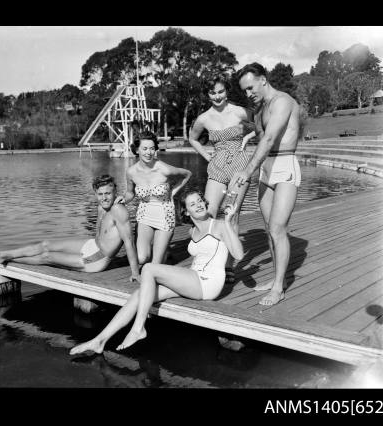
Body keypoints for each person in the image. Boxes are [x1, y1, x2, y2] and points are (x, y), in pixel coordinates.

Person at [69, 188, 245, 355]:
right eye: (192, 204)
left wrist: (229, 222)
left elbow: (238, 254)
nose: (199, 205)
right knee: (140, 294)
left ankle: (138, 328)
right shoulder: (192, 231)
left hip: (208, 283)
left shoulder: (219, 225)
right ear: (185, 212)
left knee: (149, 268)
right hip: (195, 280)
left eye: (200, 201)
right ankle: (100, 340)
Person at [230, 62, 302, 306]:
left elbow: (271, 138)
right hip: (266, 171)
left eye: (250, 87)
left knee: (277, 230)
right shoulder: (260, 108)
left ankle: (279, 288)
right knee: (270, 231)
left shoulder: (282, 101)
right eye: (245, 91)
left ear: (263, 79)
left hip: (284, 167)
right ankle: (275, 279)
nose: (249, 94)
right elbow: (261, 135)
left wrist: (246, 171)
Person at [0, 174, 140, 282]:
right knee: (45, 244)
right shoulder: (101, 207)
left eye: (108, 193)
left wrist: (135, 273)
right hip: (92, 245)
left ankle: (5, 257)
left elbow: (129, 242)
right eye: (100, 194)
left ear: (115, 192)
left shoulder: (118, 210)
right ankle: (3, 254)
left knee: (47, 256)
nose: (104, 198)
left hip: (97, 259)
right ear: (95, 193)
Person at [188, 75, 256, 280]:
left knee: (231, 214)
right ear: (208, 95)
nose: (217, 97)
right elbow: (192, 138)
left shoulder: (240, 111)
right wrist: (204, 153)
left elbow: (263, 125)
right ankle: (204, 257)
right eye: (212, 93)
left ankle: (227, 266)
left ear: (226, 91)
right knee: (207, 213)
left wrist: (247, 136)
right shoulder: (203, 118)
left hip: (239, 165)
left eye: (221, 92)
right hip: (217, 165)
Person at [117, 131, 191, 266]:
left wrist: (173, 192)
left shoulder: (164, 169)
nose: (148, 152)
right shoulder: (131, 172)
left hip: (165, 215)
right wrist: (123, 199)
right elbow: (130, 193)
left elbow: (187, 174)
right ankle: (162, 250)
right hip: (144, 215)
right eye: (144, 148)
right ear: (137, 150)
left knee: (156, 265)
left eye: (152, 148)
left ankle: (163, 252)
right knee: (141, 259)